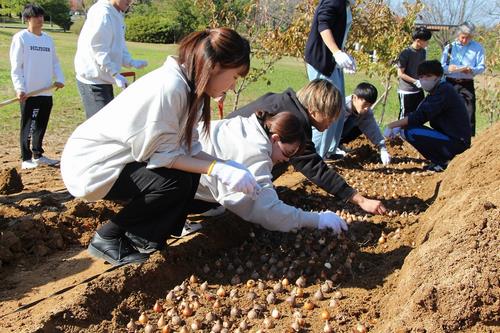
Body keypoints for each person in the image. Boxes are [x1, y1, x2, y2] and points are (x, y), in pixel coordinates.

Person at [61, 28, 258, 266]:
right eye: (235, 76)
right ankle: (109, 236)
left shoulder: (190, 87)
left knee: (189, 177)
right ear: (215, 66)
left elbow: (190, 149)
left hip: (119, 161)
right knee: (174, 182)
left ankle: (141, 238)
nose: (233, 86)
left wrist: (228, 165)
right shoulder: (171, 87)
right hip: (91, 166)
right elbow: (165, 158)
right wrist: (217, 168)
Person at [228, 79, 386, 215]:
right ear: (313, 111)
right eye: (330, 117)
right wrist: (360, 200)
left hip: (221, 147)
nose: (331, 122)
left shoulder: (282, 101)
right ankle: (240, 198)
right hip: (226, 163)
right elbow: (314, 167)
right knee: (286, 156)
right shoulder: (294, 125)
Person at [194, 111, 348, 234]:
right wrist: (317, 220)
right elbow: (267, 210)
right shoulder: (255, 153)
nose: (287, 160)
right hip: (179, 177)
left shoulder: (248, 125)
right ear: (275, 139)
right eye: (287, 153)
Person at [384, 60, 471, 172]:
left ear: (438, 76)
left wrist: (393, 125)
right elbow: (418, 112)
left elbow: (420, 116)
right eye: (421, 76)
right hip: (450, 138)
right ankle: (439, 160)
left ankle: (443, 161)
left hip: (457, 143)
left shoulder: (444, 92)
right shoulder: (436, 92)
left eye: (429, 76)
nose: (424, 80)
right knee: (407, 128)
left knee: (410, 131)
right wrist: (399, 124)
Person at [9, 3, 65, 170]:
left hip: (46, 91)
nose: (40, 19)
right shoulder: (21, 38)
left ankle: (38, 155)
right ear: (27, 19)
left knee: (41, 125)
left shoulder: (48, 39)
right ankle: (26, 158)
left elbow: (55, 62)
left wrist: (60, 78)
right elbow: (16, 67)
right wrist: (20, 88)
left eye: (41, 16)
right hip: (29, 93)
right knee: (29, 125)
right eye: (36, 17)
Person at [74, 0, 148, 119]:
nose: (130, 1)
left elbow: (119, 45)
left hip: (105, 80)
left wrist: (130, 61)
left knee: (108, 123)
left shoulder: (117, 14)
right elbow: (98, 49)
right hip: (93, 82)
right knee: (99, 127)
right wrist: (114, 74)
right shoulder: (102, 13)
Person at [304, 0, 357, 159]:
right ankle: (315, 157)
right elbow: (323, 24)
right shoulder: (334, 1)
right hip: (322, 61)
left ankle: (330, 150)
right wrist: (336, 52)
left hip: (332, 62)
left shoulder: (344, 4)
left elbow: (338, 32)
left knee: (338, 107)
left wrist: (343, 54)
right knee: (326, 108)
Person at [441, 21, 485, 136]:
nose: (465, 40)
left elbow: (481, 66)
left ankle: (468, 138)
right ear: (458, 35)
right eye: (463, 37)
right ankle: (448, 135)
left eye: (468, 38)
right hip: (451, 82)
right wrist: (449, 68)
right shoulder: (450, 47)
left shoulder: (477, 48)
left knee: (469, 111)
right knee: (448, 109)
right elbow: (442, 67)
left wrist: (472, 70)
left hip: (467, 83)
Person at [337, 82, 391, 165]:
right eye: (365, 104)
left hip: (341, 131)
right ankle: (332, 147)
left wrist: (382, 149)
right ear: (355, 98)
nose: (366, 108)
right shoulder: (340, 106)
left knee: (360, 126)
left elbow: (373, 129)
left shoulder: (366, 112)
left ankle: (338, 144)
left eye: (369, 105)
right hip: (329, 132)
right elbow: (329, 128)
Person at [397, 26, 432, 119]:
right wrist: (415, 81)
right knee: (404, 116)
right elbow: (400, 73)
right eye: (426, 41)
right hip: (406, 91)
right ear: (418, 41)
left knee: (417, 115)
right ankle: (397, 133)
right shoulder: (405, 53)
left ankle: (412, 133)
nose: (428, 43)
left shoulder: (423, 52)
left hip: (419, 90)